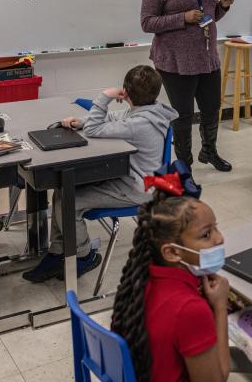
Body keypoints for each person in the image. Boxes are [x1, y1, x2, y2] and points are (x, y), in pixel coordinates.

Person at [110, 177, 252, 382]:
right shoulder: (189, 309)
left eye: (215, 227)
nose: (219, 238)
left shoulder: (140, 279)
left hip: (149, 372)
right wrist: (220, 307)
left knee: (249, 360)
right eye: (206, 234)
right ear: (172, 252)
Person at [23, 66, 177, 283]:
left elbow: (95, 130)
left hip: (136, 189)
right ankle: (58, 252)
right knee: (62, 191)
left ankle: (84, 255)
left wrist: (105, 96)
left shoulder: (138, 125)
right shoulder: (149, 111)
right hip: (132, 179)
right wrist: (82, 121)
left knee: (71, 201)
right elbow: (116, 116)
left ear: (126, 92)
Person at [141, 0, 234, 173]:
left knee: (212, 108)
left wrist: (222, 6)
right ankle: (184, 164)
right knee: (182, 115)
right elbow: (147, 23)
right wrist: (183, 18)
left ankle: (209, 151)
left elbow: (210, 16)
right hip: (175, 62)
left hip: (206, 57)